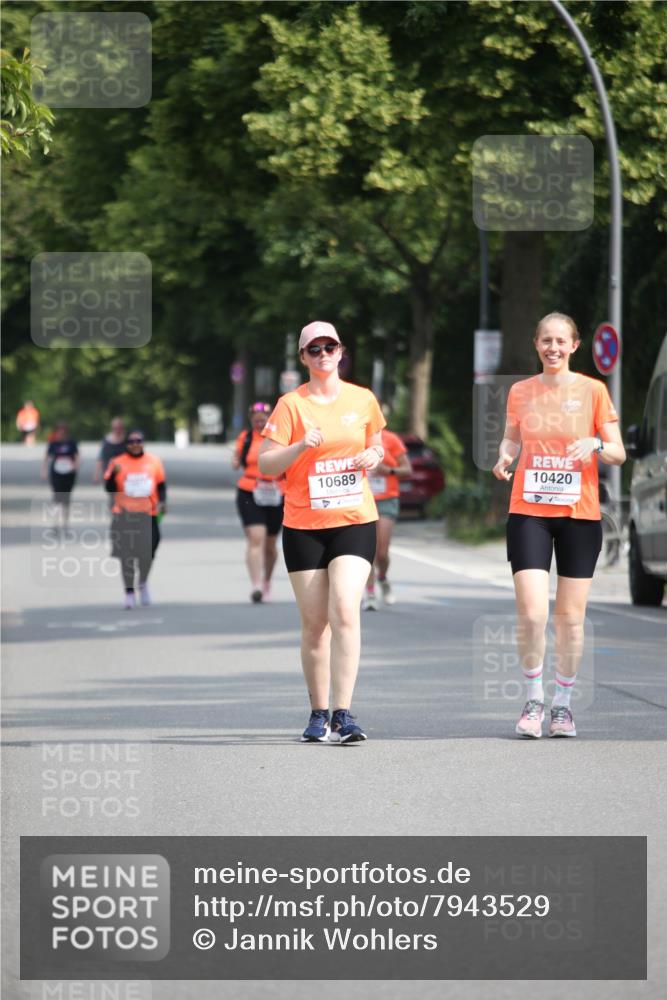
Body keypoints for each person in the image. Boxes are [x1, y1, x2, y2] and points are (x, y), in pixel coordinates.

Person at [492, 312, 626, 739]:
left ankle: (562, 707)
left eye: (560, 341)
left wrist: (598, 443)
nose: (553, 347)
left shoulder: (593, 391)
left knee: (570, 618)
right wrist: (505, 455)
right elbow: (513, 435)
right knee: (532, 613)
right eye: (546, 340)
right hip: (529, 510)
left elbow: (619, 452)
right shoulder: (521, 391)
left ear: (574, 345)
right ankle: (534, 699)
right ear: (536, 344)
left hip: (578, 515)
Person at [259, 321, 386, 744]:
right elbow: (266, 464)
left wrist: (373, 455)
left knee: (345, 609)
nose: (323, 354)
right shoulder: (290, 405)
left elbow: (379, 444)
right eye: (314, 349)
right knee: (315, 625)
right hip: (304, 525)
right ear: (303, 357)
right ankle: (317, 713)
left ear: (341, 351)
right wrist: (300, 447)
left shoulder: (362, 399)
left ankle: (344, 713)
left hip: (354, 520)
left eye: (329, 347)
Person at [104, 430, 166, 610]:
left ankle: (143, 582)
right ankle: (129, 592)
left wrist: (163, 502)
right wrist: (114, 475)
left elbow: (161, 485)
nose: (135, 444)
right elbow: (109, 488)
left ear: (143, 442)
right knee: (127, 556)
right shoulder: (117, 462)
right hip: (124, 514)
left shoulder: (153, 461)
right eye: (131, 441)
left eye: (138, 440)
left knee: (148, 553)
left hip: (149, 513)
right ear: (126, 444)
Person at [232, 402, 285, 603]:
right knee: (256, 538)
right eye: (256, 420)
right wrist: (235, 461)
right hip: (250, 490)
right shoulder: (245, 438)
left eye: (263, 420)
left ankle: (267, 582)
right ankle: (255, 585)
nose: (260, 423)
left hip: (277, 492)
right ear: (251, 420)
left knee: (270, 546)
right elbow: (237, 460)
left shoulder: (280, 437)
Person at [362, 427, 412, 610]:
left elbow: (407, 469)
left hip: (387, 500)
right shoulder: (354, 436)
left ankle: (382, 578)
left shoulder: (390, 439)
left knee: (382, 552)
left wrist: (388, 471)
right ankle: (370, 592)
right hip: (362, 499)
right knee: (369, 550)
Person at [41, 422, 79, 533]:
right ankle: (55, 524)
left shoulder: (71, 443)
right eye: (59, 430)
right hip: (56, 473)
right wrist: (43, 470)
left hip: (69, 474)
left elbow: (77, 457)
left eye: (63, 431)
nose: (61, 433)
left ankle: (65, 524)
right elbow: (47, 457)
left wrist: (75, 466)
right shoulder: (53, 444)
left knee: (66, 499)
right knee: (57, 498)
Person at [93, 417, 126, 492]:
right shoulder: (106, 441)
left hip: (123, 471)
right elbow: (101, 457)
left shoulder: (126, 441)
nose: (117, 430)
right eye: (115, 428)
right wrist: (96, 473)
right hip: (108, 471)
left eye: (119, 427)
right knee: (111, 493)